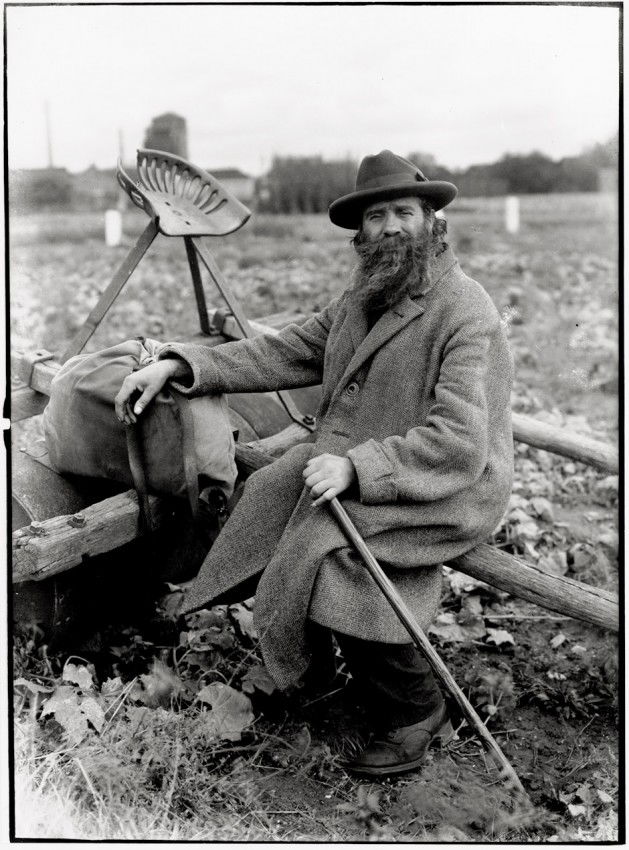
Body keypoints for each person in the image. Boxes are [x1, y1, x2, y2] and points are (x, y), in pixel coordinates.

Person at [115, 150, 514, 776]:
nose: (389, 228)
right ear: (361, 233)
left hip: (442, 483)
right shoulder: (364, 295)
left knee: (330, 557)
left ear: (434, 222)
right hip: (361, 462)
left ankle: (415, 708)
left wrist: (359, 468)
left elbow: (460, 439)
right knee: (270, 492)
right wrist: (184, 364)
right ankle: (311, 670)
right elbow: (291, 349)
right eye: (375, 216)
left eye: (403, 212)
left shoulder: (465, 310)